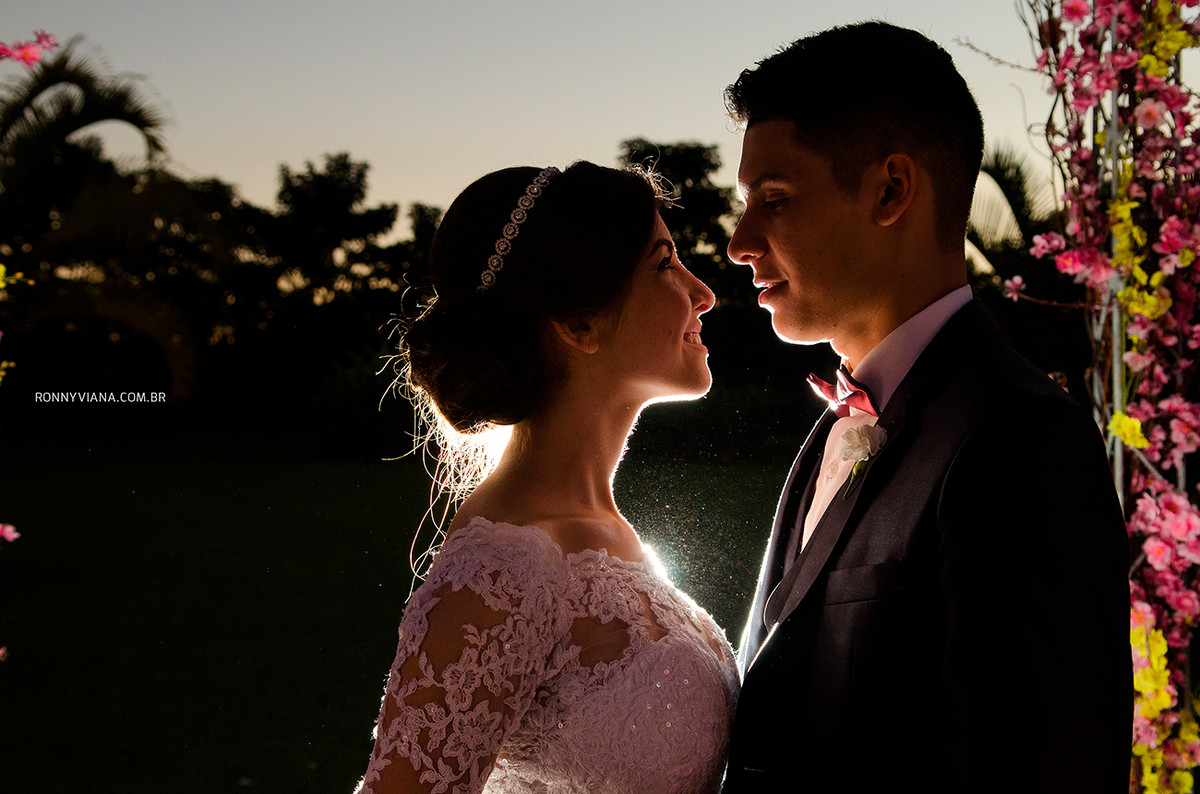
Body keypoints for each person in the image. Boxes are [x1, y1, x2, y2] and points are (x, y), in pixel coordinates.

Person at [720, 22, 1131, 792]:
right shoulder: (831, 431)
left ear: (890, 190)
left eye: (773, 199)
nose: (741, 240)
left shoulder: (1020, 439)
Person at [354, 161, 738, 794]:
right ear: (577, 324)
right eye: (665, 262)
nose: (703, 292)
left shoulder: (607, 534)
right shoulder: (501, 572)